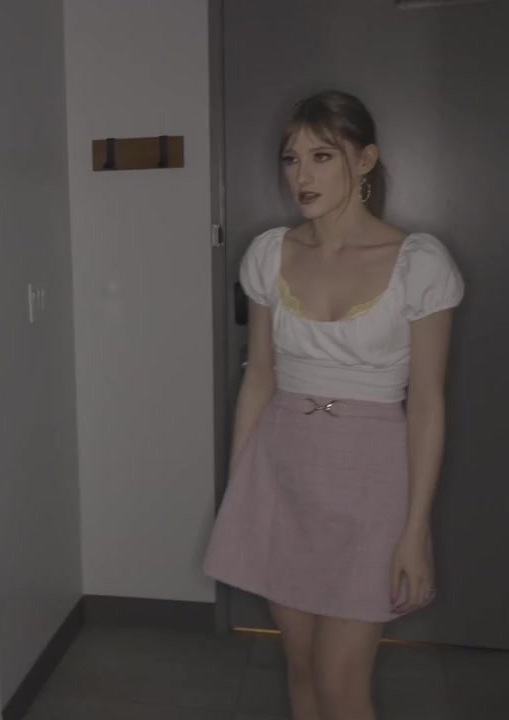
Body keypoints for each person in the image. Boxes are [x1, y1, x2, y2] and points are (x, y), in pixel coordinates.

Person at [203, 90, 463, 720]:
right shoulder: (270, 253)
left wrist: (415, 529)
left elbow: (427, 404)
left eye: (322, 156)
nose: (302, 175)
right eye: (291, 158)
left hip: (371, 486)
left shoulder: (419, 264)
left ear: (365, 159)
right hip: (281, 475)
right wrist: (242, 495)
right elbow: (259, 381)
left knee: (341, 685)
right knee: (301, 673)